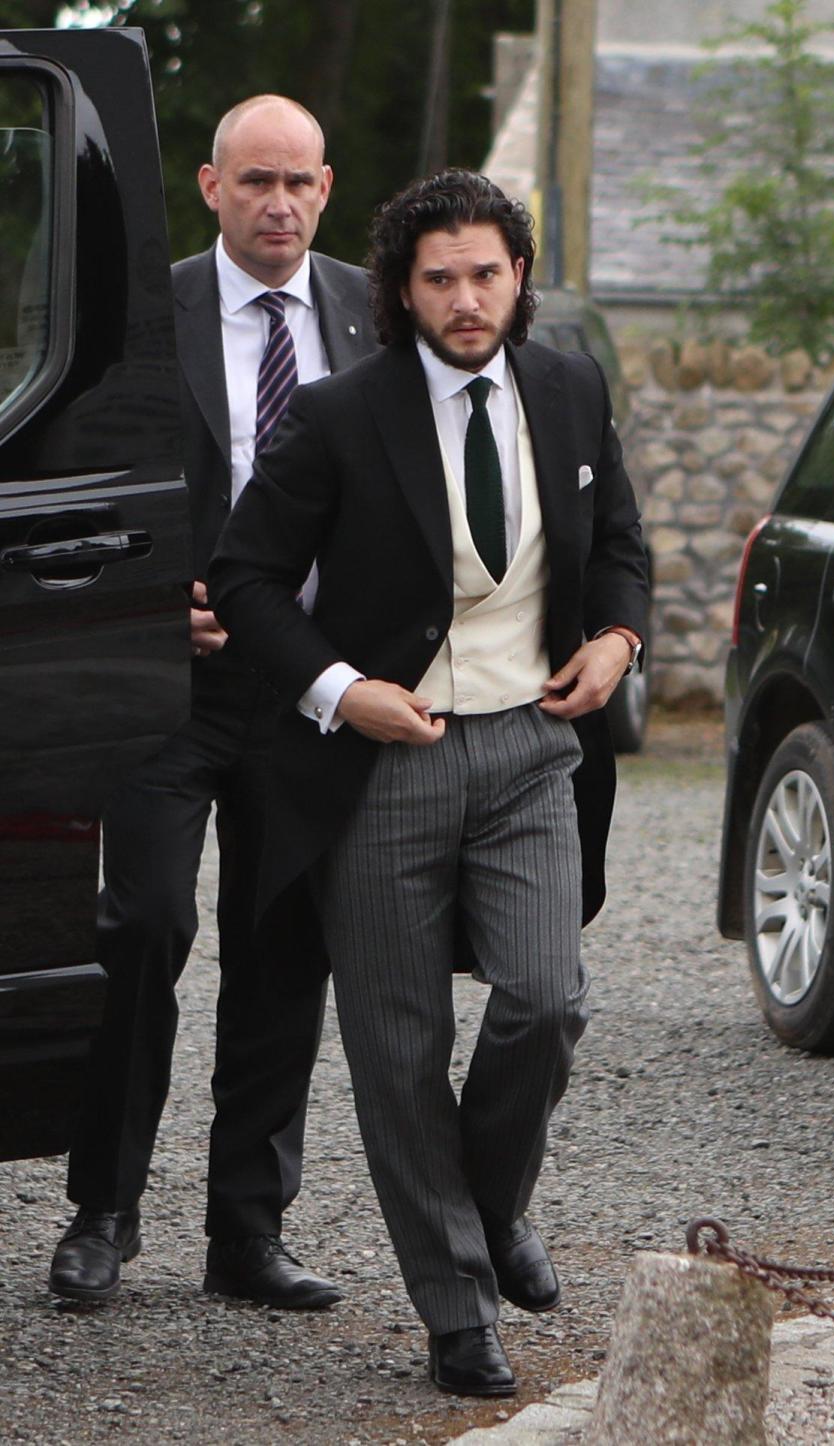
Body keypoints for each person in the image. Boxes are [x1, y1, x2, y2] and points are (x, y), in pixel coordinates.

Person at [208, 169, 649, 1395]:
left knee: (547, 999)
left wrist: (617, 640)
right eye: (440, 277)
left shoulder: (568, 388)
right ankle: (457, 1308)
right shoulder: (347, 415)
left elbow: (618, 541)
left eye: (487, 273)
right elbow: (245, 578)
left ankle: (491, 1198)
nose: (467, 298)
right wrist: (340, 689)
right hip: (384, 766)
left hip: (531, 754)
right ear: (403, 291)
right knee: (398, 1051)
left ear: (519, 278)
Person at [48, 96, 378, 1308]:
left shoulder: (369, 316)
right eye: (255, 183)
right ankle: (104, 1210)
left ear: (327, 189)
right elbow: (82, 474)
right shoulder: (143, 314)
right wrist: (138, 607)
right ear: (208, 185)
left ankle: (247, 1232)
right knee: (140, 929)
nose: (278, 204)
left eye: (298, 182)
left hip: (310, 684)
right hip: (166, 683)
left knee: (283, 948)